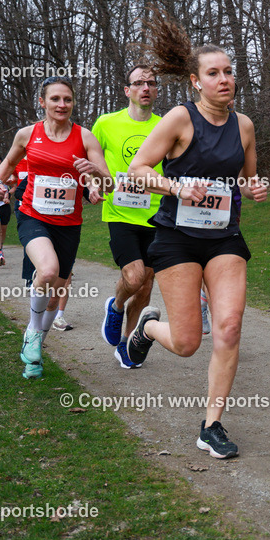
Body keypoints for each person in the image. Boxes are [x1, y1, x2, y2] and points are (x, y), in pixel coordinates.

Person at [126, 14, 267, 459]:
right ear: (195, 82)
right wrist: (177, 186)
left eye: (229, 71)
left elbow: (246, 178)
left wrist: (255, 187)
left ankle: (212, 424)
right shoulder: (179, 118)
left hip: (225, 236)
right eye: (214, 73)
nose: (224, 79)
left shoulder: (243, 125)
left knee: (227, 327)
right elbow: (138, 171)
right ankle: (148, 326)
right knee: (187, 343)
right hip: (177, 238)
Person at [0, 76, 109, 379]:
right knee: (46, 271)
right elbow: (7, 163)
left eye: (67, 99)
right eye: (55, 99)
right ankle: (32, 329)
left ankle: (35, 354)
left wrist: (94, 175)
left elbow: (107, 183)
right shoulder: (28, 134)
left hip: (69, 224)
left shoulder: (85, 138)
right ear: (42, 102)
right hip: (33, 215)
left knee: (55, 296)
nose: (62, 105)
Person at [95, 64, 165, 367]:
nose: (145, 88)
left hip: (157, 216)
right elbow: (90, 159)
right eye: (139, 83)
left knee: (147, 283)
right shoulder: (106, 123)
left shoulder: (166, 126)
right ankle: (117, 304)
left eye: (150, 83)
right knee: (134, 277)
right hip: (120, 212)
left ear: (157, 90)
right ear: (127, 90)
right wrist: (92, 184)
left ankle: (127, 343)